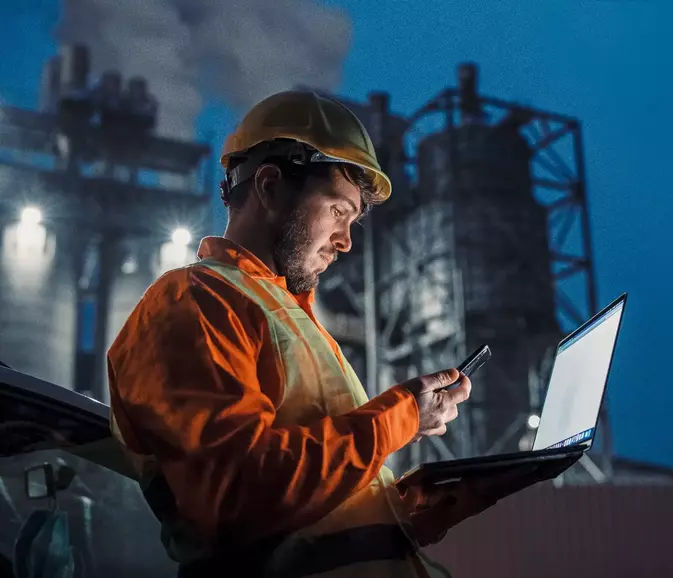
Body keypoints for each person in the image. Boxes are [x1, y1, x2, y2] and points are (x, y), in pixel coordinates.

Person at [107, 91, 522, 578]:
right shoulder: (195, 302)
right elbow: (236, 494)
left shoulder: (288, 317)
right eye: (338, 212)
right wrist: (399, 416)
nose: (346, 241)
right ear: (270, 187)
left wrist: (415, 505)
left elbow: (316, 504)